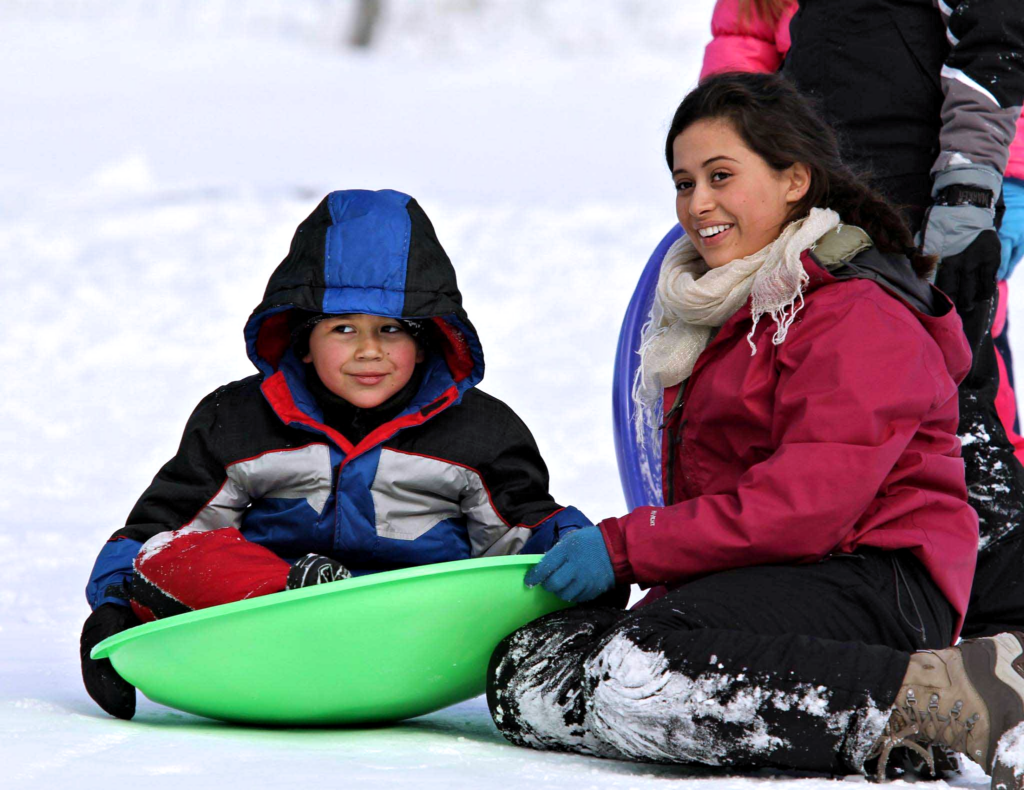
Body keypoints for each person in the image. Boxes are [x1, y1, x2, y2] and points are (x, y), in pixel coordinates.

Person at [487, 73, 1024, 786]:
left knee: (635, 667)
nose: (696, 203)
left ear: (794, 179)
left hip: (871, 577)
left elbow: (804, 507)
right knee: (530, 670)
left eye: (720, 176)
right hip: (764, 573)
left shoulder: (856, 313)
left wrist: (627, 546)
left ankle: (940, 701)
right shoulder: (724, 311)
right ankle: (867, 718)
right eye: (682, 182)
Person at [80, 188, 592, 720]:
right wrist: (115, 608)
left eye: (391, 329)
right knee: (164, 554)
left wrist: (581, 551)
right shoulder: (238, 421)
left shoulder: (479, 431)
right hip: (270, 618)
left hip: (415, 636)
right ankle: (306, 588)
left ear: (427, 343)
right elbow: (166, 528)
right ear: (303, 340)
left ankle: (332, 599)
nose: (368, 350)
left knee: (543, 566)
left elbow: (522, 531)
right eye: (343, 329)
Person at [699, 0, 1024, 639]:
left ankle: (1003, 615)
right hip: (821, 176)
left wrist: (967, 193)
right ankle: (843, 582)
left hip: (948, 173)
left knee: (956, 389)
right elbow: (746, 38)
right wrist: (723, 171)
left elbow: (996, 38)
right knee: (824, 386)